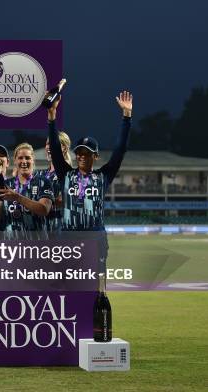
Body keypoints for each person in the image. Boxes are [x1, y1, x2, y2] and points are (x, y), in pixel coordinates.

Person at [47, 90, 133, 270]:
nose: (82, 156)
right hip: (68, 238)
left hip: (95, 237)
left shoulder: (103, 176)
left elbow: (120, 151)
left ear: (96, 156)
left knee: (96, 290)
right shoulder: (66, 175)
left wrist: (126, 116)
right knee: (68, 289)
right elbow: (55, 149)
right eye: (79, 152)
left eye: (87, 153)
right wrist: (52, 115)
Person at [0, 143, 54, 239]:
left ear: (33, 160)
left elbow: (44, 210)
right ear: (15, 161)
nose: (24, 161)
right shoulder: (6, 184)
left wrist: (17, 197)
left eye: (27, 158)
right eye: (20, 158)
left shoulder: (43, 181)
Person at [35, 132, 72, 232]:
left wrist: (37, 204)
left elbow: (64, 200)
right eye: (47, 143)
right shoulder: (41, 174)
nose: (48, 147)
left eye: (52, 143)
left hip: (59, 231)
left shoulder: (69, 173)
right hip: (42, 231)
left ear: (64, 147)